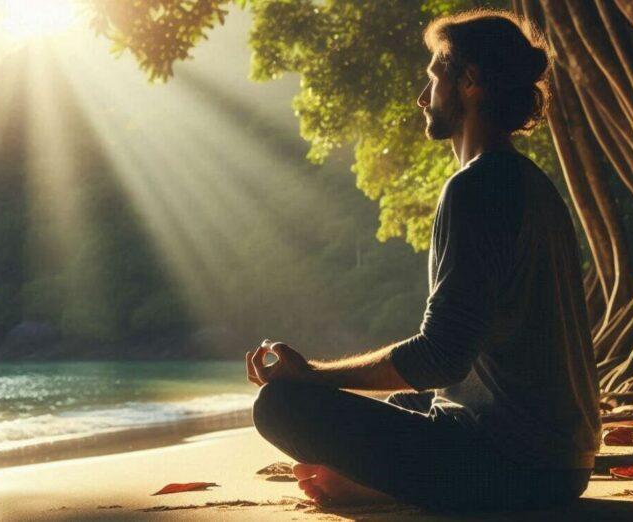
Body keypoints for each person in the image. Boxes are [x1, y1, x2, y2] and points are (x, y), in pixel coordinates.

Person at [244, 8, 602, 511]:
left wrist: (312, 376)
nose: (422, 96)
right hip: (562, 462)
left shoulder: (476, 186)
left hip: (515, 471)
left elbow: (441, 356)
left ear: (470, 81)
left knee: (280, 405)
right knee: (407, 403)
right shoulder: (531, 185)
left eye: (434, 76)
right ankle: (375, 482)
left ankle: (381, 484)